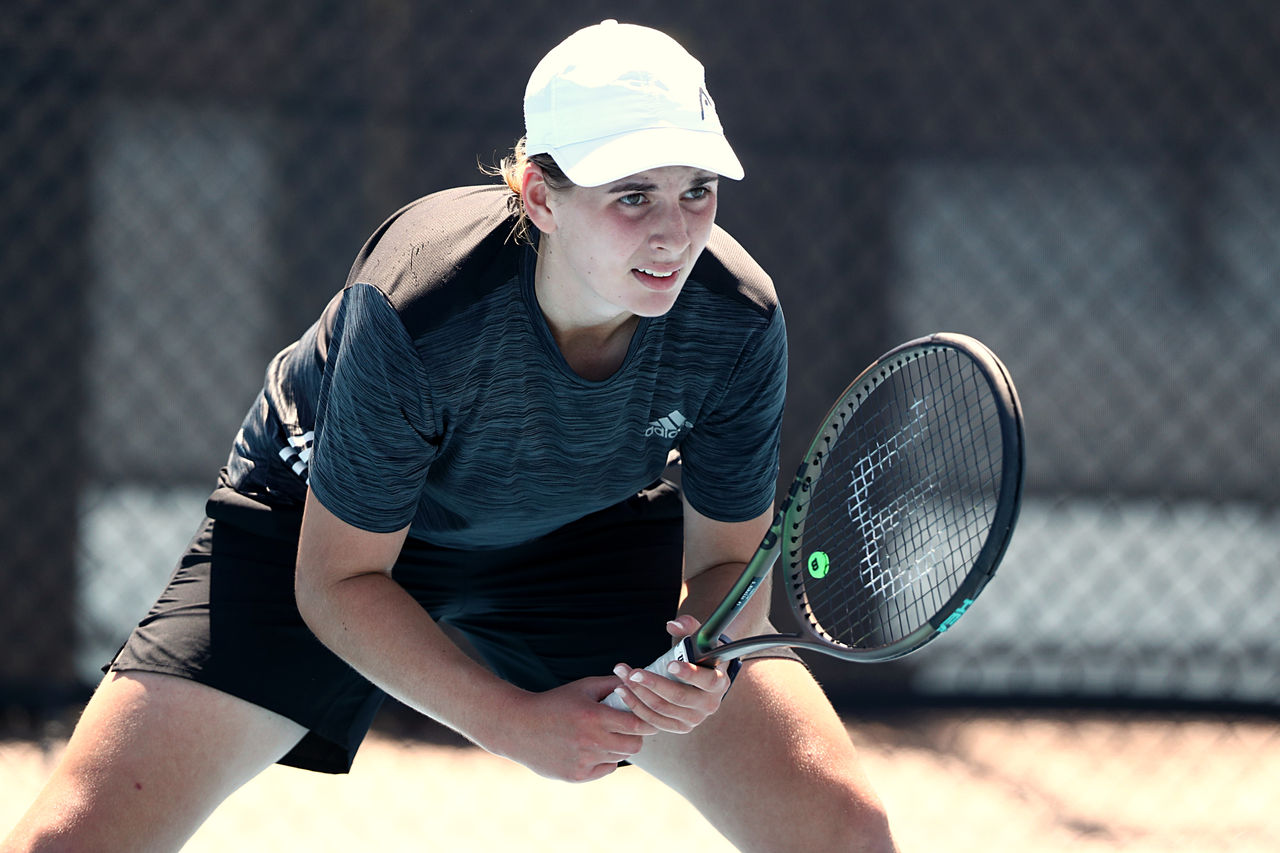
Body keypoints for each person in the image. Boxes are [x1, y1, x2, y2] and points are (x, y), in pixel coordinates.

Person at [4, 20, 896, 853]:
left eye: (696, 190)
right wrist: (514, 722)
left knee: (844, 830)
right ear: (540, 196)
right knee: (70, 842)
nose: (676, 231)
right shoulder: (420, 309)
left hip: (579, 536)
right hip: (326, 536)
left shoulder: (736, 316)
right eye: (633, 195)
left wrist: (696, 656)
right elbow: (336, 580)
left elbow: (729, 564)